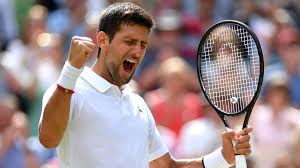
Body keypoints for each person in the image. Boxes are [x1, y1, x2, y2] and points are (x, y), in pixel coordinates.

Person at [38, 2, 252, 168]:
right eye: (129, 42)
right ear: (103, 40)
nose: (137, 52)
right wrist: (70, 72)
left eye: (143, 44)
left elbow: (166, 166)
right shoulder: (67, 89)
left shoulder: (137, 103)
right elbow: (48, 139)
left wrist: (223, 157)